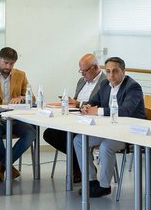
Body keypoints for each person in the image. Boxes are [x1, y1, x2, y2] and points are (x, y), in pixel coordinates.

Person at [75, 57, 145, 197]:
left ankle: (104, 186)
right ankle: (91, 180)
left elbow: (125, 111)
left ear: (123, 71)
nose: (111, 75)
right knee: (78, 141)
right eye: (108, 71)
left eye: (115, 71)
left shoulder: (133, 87)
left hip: (129, 133)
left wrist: (98, 111)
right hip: (109, 130)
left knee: (106, 146)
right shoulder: (105, 85)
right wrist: (87, 106)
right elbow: (93, 101)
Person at [44, 53, 107, 182]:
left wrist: (78, 104)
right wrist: (71, 103)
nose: (83, 74)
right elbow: (77, 100)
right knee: (50, 133)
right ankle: (81, 163)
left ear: (96, 67)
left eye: (85, 71)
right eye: (81, 71)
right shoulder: (81, 81)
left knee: (72, 137)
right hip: (76, 116)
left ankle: (80, 168)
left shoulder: (105, 82)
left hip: (93, 121)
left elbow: (99, 105)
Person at [0, 47, 34, 180]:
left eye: (12, 64)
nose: (8, 67)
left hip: (15, 118)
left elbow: (32, 98)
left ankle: (2, 166)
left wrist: (21, 98)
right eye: (5, 63)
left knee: (31, 133)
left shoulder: (21, 75)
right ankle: (8, 167)